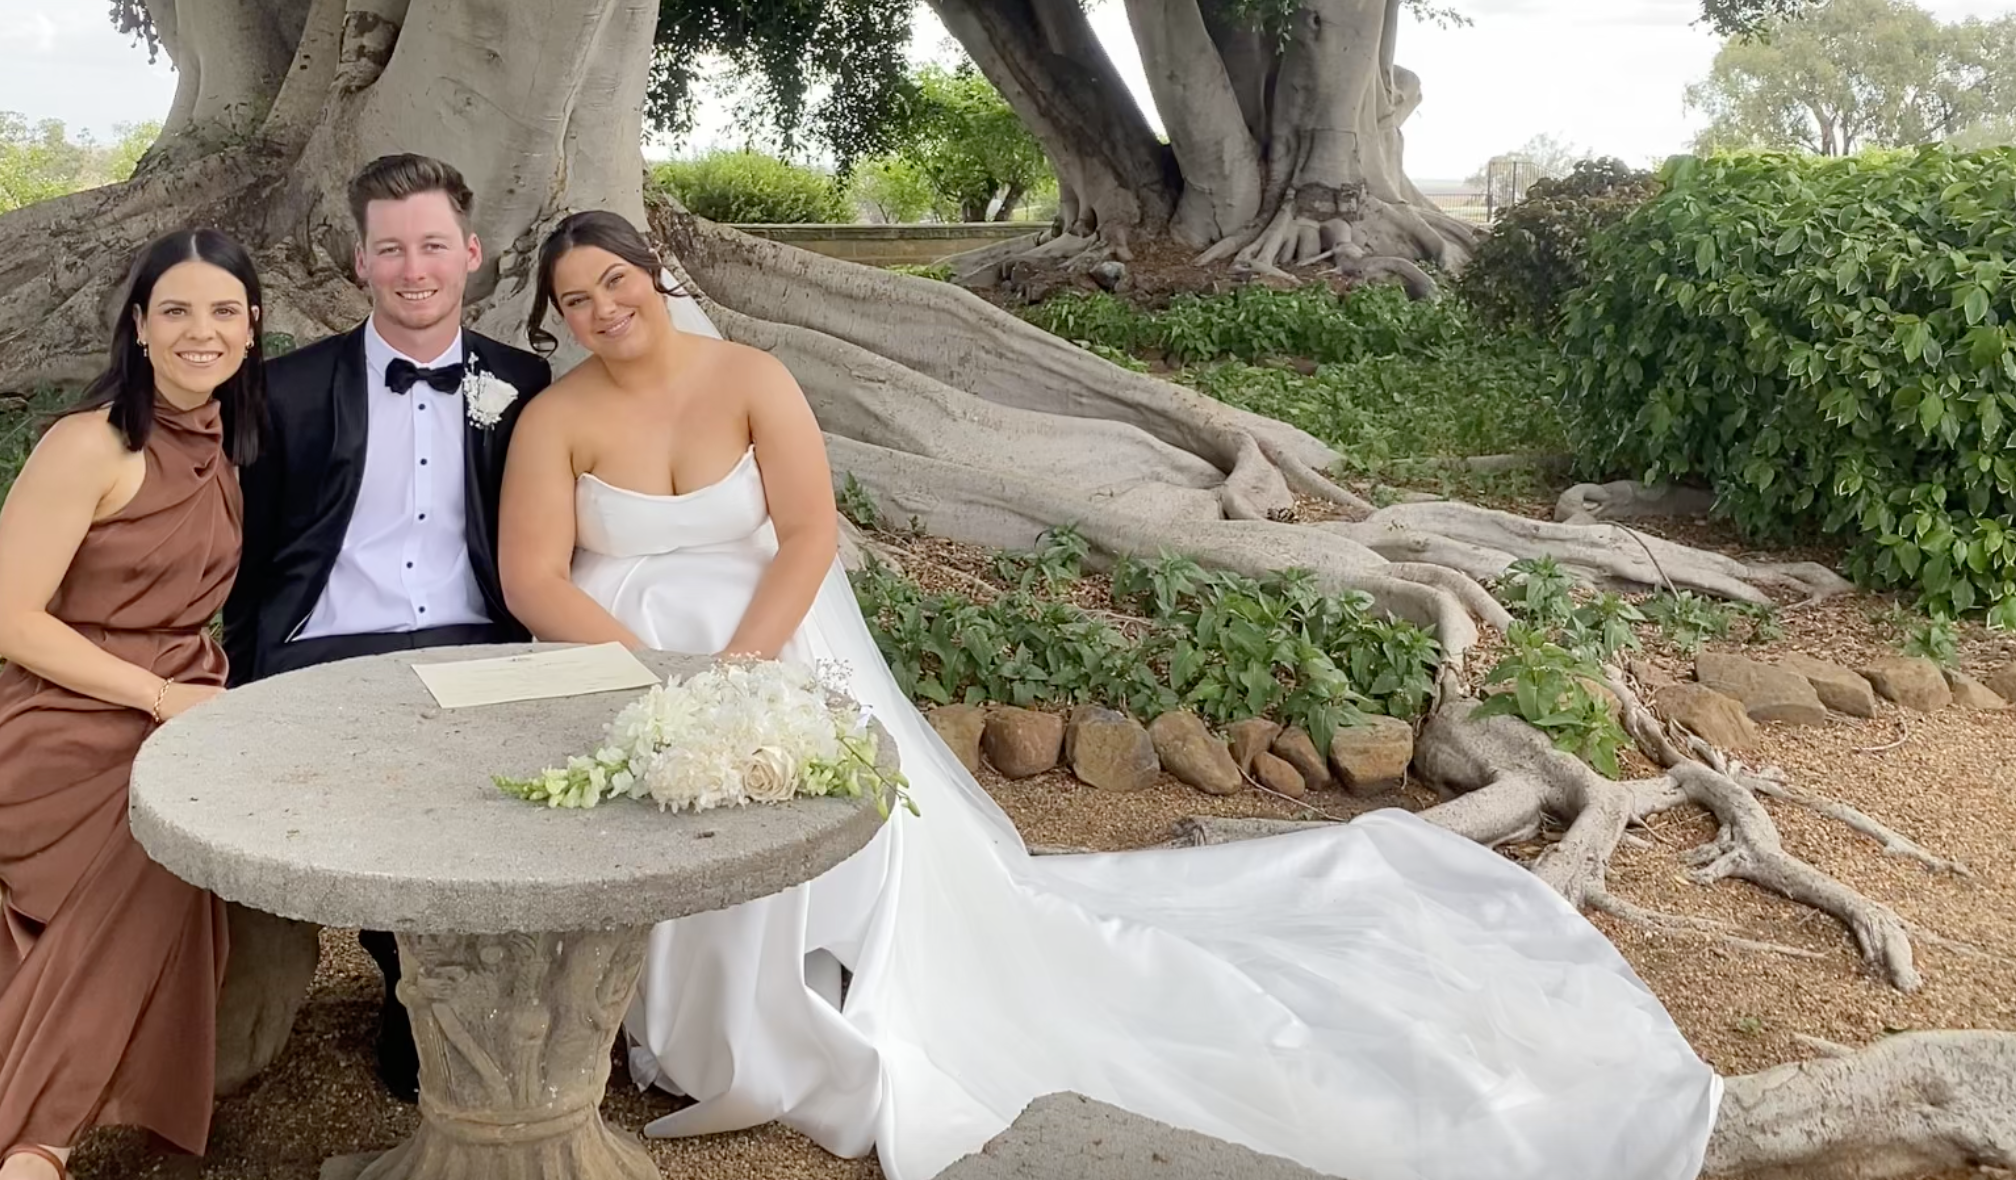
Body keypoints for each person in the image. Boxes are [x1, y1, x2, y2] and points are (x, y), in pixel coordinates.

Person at [497, 209, 1724, 1180]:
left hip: (771, 645)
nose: (603, 308)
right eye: (575, 299)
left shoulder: (751, 374)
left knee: (813, 830)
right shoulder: (555, 417)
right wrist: (658, 683)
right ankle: (656, 1014)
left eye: (617, 280)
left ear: (654, 272)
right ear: (556, 320)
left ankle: (798, 998)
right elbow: (531, 572)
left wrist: (738, 669)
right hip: (620, 663)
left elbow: (809, 532)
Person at [221, 152, 549, 1100]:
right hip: (326, 646)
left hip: (477, 643)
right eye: (392, 248)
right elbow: (248, 563)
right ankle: (399, 978)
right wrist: (245, 674)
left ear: (473, 255)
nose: (415, 269)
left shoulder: (524, 384)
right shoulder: (285, 392)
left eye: (434, 246)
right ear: (359, 263)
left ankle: (449, 993)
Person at [0, 229, 265, 1180]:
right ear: (138, 327)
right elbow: (8, 621)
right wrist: (162, 695)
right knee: (162, 841)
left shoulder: (225, 442)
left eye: (220, 311)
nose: (198, 331)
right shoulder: (90, 443)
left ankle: (42, 1117)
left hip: (171, 708)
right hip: (58, 727)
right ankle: (33, 1147)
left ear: (252, 327)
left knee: (167, 848)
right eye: (175, 310)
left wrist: (188, 696)